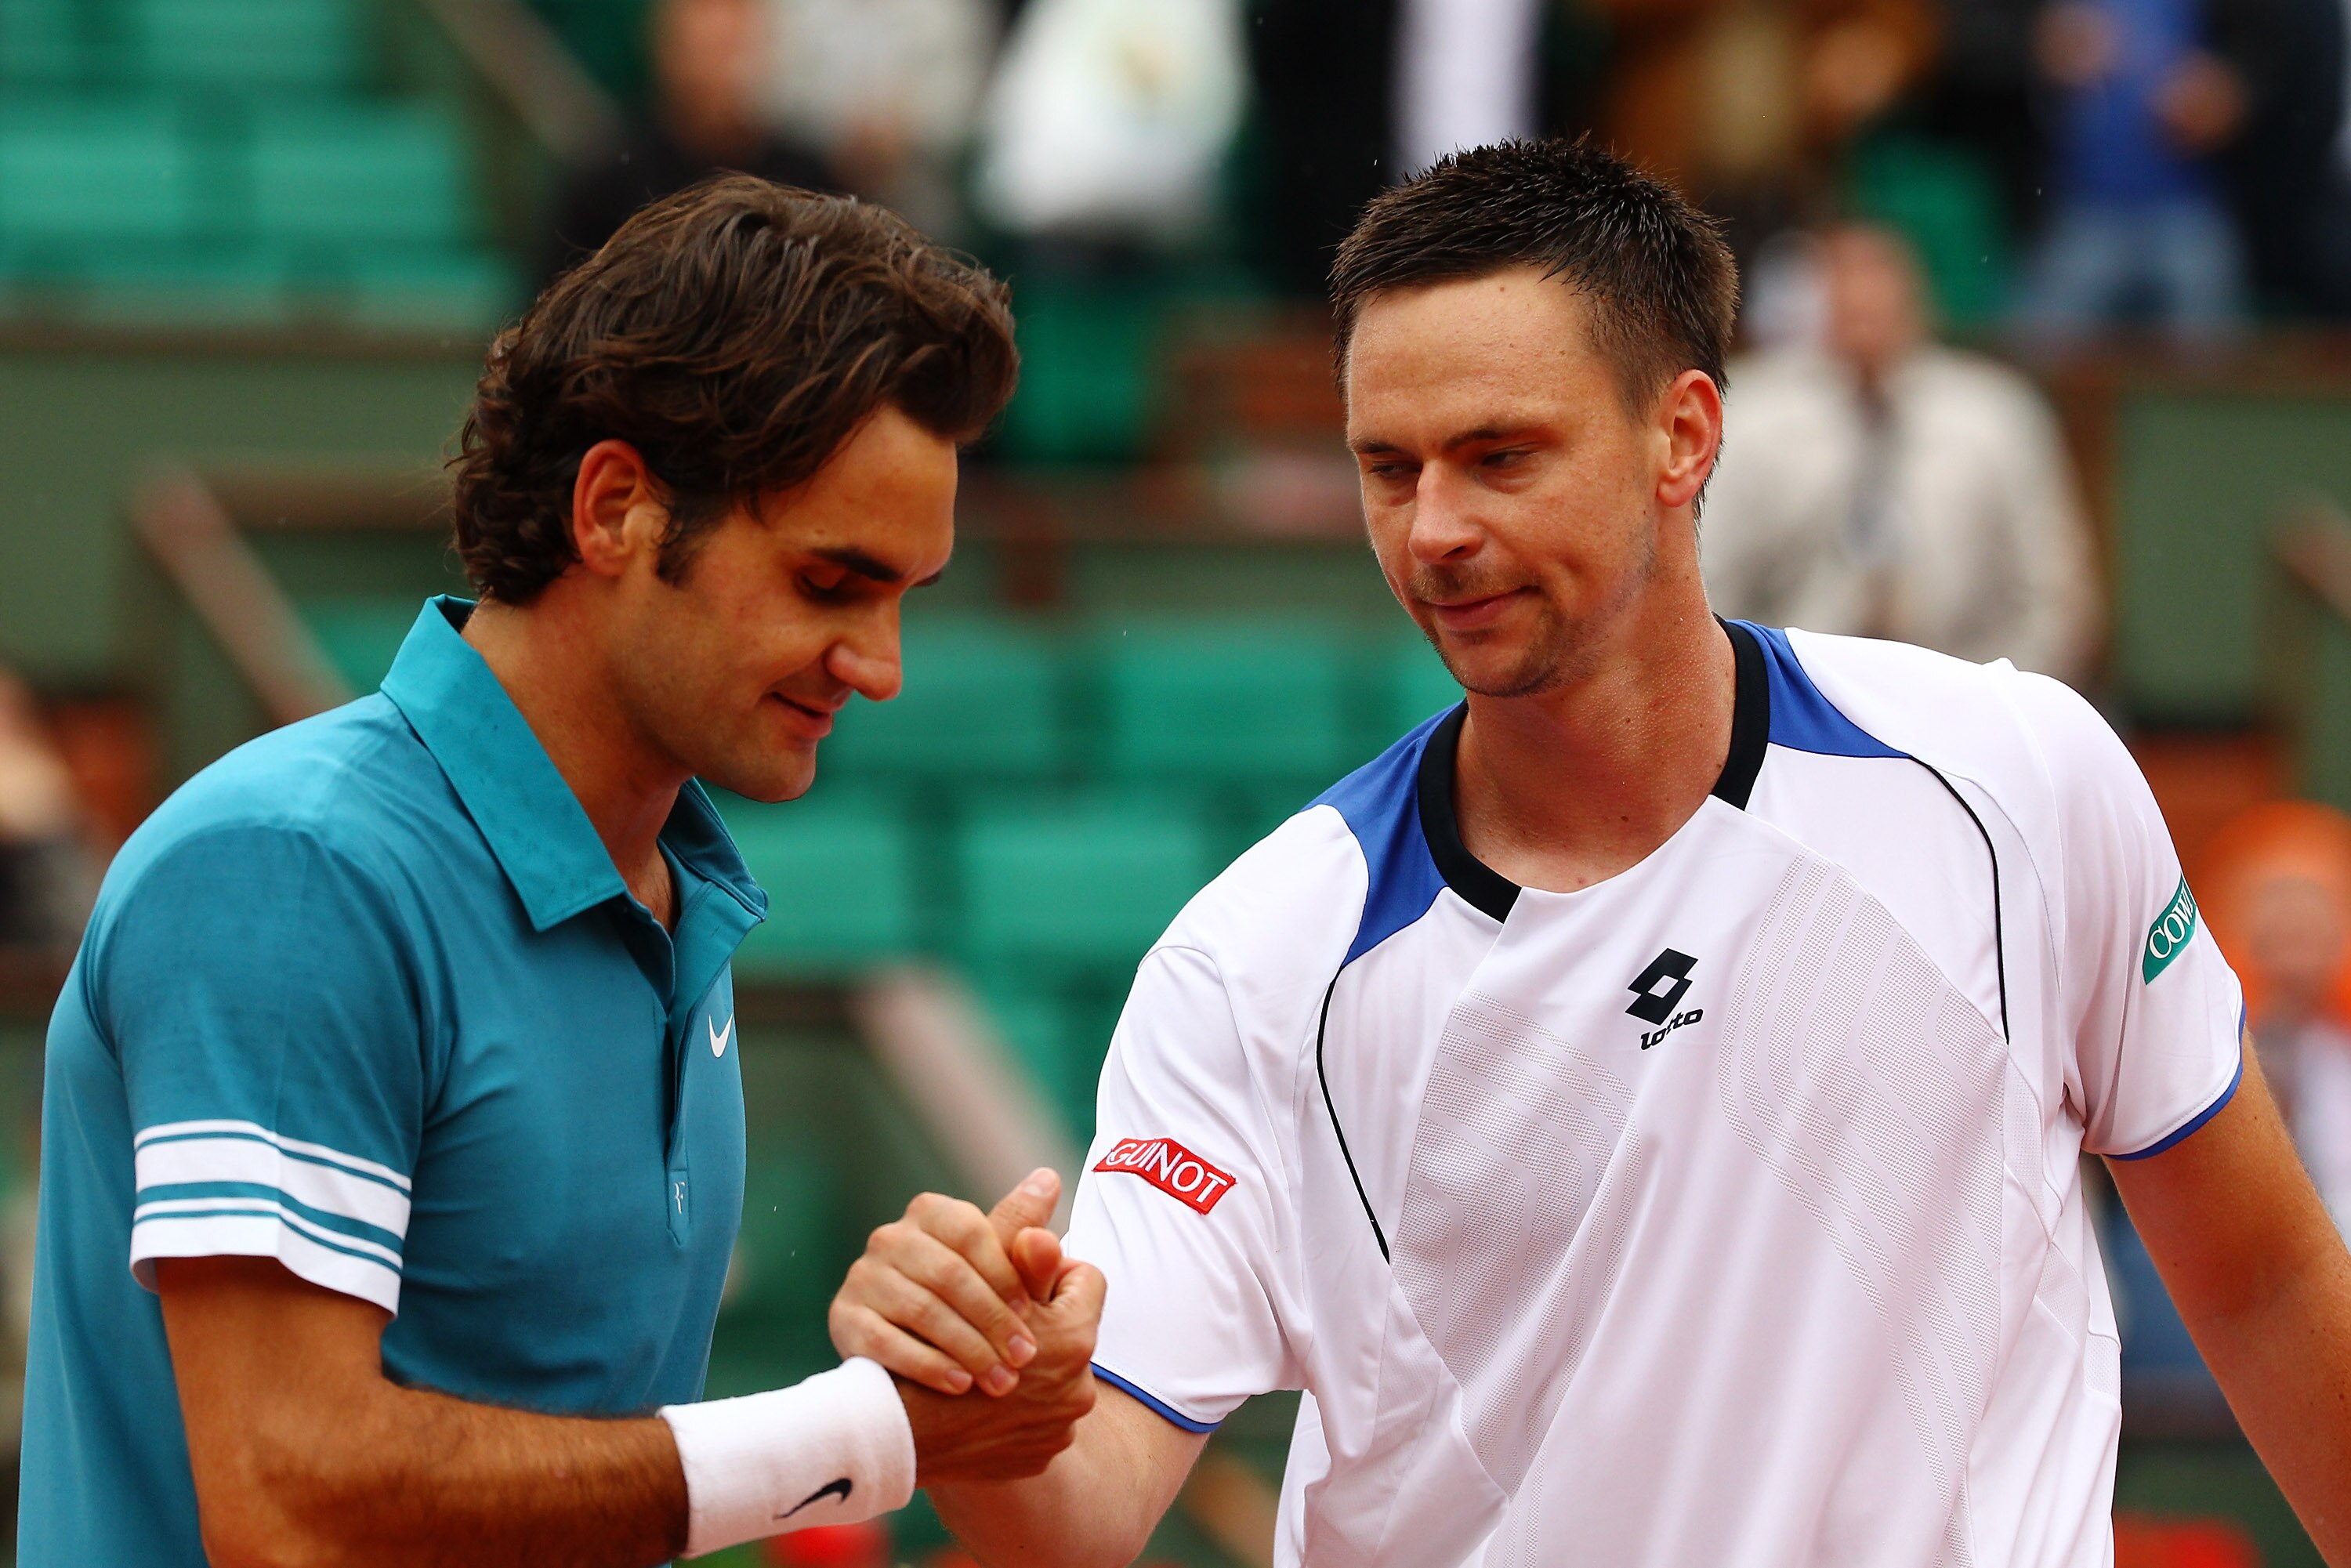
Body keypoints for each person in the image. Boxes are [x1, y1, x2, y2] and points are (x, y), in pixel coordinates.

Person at [829, 140, 2351, 1566]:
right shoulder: (1259, 959)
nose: (1433, 530)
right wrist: (978, 1397)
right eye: (1389, 466)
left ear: (1683, 435)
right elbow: (1082, 1504)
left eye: (1500, 456)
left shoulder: (2021, 778)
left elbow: (2265, 1276)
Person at [17, 178, 1105, 1566]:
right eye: (832, 585)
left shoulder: (669, 912)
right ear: (615, 509)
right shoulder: (293, 867)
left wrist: (948, 1360)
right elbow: (290, 1502)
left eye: (906, 598)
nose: (881, 669)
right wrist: (858, 1437)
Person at [1701, 223, 2102, 685]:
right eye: (1843, 274)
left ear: (1919, 292)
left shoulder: (1996, 415)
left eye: (1880, 273)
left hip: (1967, 694)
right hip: (1788, 700)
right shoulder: (1748, 413)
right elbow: (1707, 581)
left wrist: (1996, 704)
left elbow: (2057, 596)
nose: (1863, 296)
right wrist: (1758, 703)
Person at [542, 0, 838, 283]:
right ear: (666, 50)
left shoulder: (809, 180)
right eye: (706, 51)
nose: (721, 71)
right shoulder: (606, 184)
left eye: (733, 49)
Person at [2018, 0, 2249, 342]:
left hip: (2187, 207)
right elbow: (2005, 57)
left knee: (2216, 354)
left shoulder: (2218, 12)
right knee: (2036, 341)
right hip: (2086, 209)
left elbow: (2260, 72)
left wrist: (2220, 96)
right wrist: (2047, 53)